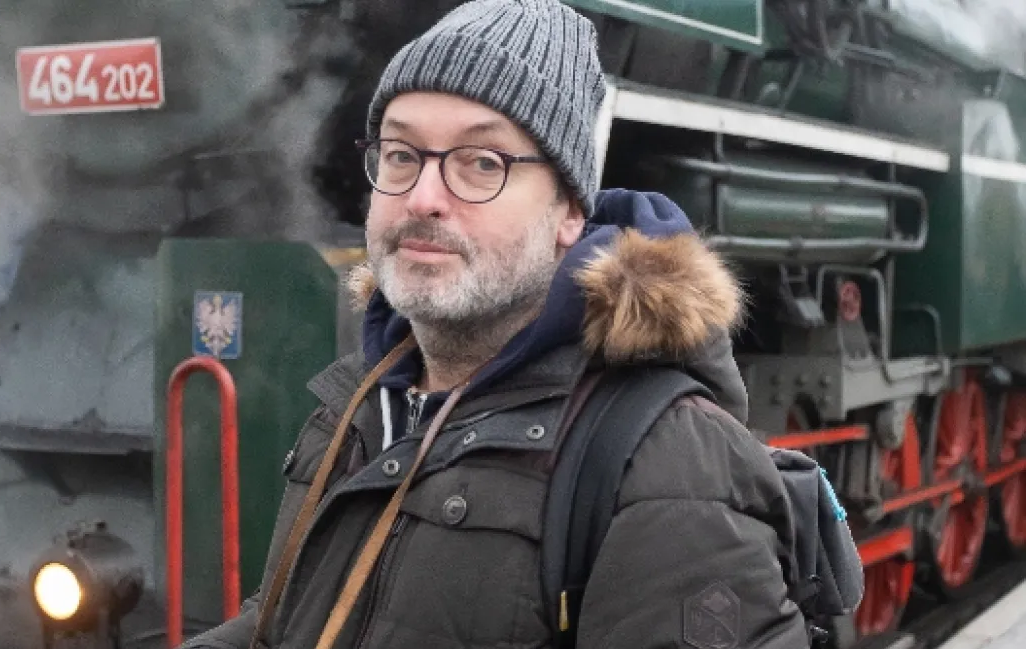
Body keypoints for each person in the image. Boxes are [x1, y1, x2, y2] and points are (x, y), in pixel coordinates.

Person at [182, 0, 813, 647]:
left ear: (569, 211)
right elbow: (289, 620)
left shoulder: (670, 471)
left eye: (482, 162)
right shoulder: (362, 399)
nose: (423, 197)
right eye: (400, 154)